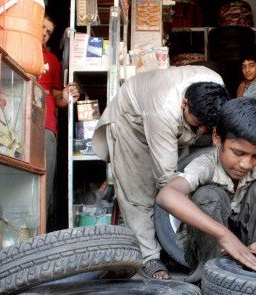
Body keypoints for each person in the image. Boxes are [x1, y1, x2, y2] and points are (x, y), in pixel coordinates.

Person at [92, 65, 230, 280]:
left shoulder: (215, 86)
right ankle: (149, 257)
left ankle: (171, 245)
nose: (203, 129)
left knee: (188, 173)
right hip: (132, 121)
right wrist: (195, 214)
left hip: (170, 117)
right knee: (139, 192)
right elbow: (168, 181)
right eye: (198, 123)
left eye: (207, 125)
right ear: (185, 103)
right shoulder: (163, 109)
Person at [156, 98, 256, 282]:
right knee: (208, 196)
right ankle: (212, 279)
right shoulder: (206, 164)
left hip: (254, 248)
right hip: (213, 250)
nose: (246, 164)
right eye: (238, 152)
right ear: (217, 139)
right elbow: (166, 195)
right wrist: (224, 235)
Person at [38, 14, 80, 231]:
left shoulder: (52, 60)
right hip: (13, 123)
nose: (45, 34)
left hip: (45, 125)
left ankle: (39, 236)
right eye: (42, 28)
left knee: (43, 183)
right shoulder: (13, 49)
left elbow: (58, 98)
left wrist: (66, 94)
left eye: (48, 32)